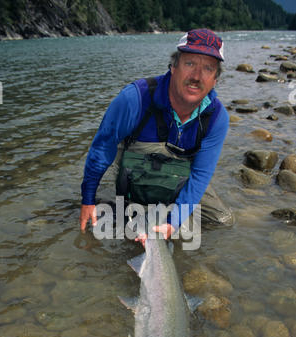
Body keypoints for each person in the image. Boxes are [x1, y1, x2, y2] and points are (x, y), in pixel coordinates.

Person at [80, 28, 233, 245]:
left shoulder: (217, 118)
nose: (197, 76)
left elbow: (200, 175)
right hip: (136, 171)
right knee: (126, 224)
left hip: (180, 177)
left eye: (208, 68)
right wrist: (87, 200)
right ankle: (112, 206)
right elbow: (102, 148)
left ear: (215, 79)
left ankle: (163, 212)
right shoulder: (134, 98)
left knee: (222, 220)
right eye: (190, 63)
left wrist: (173, 223)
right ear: (173, 67)